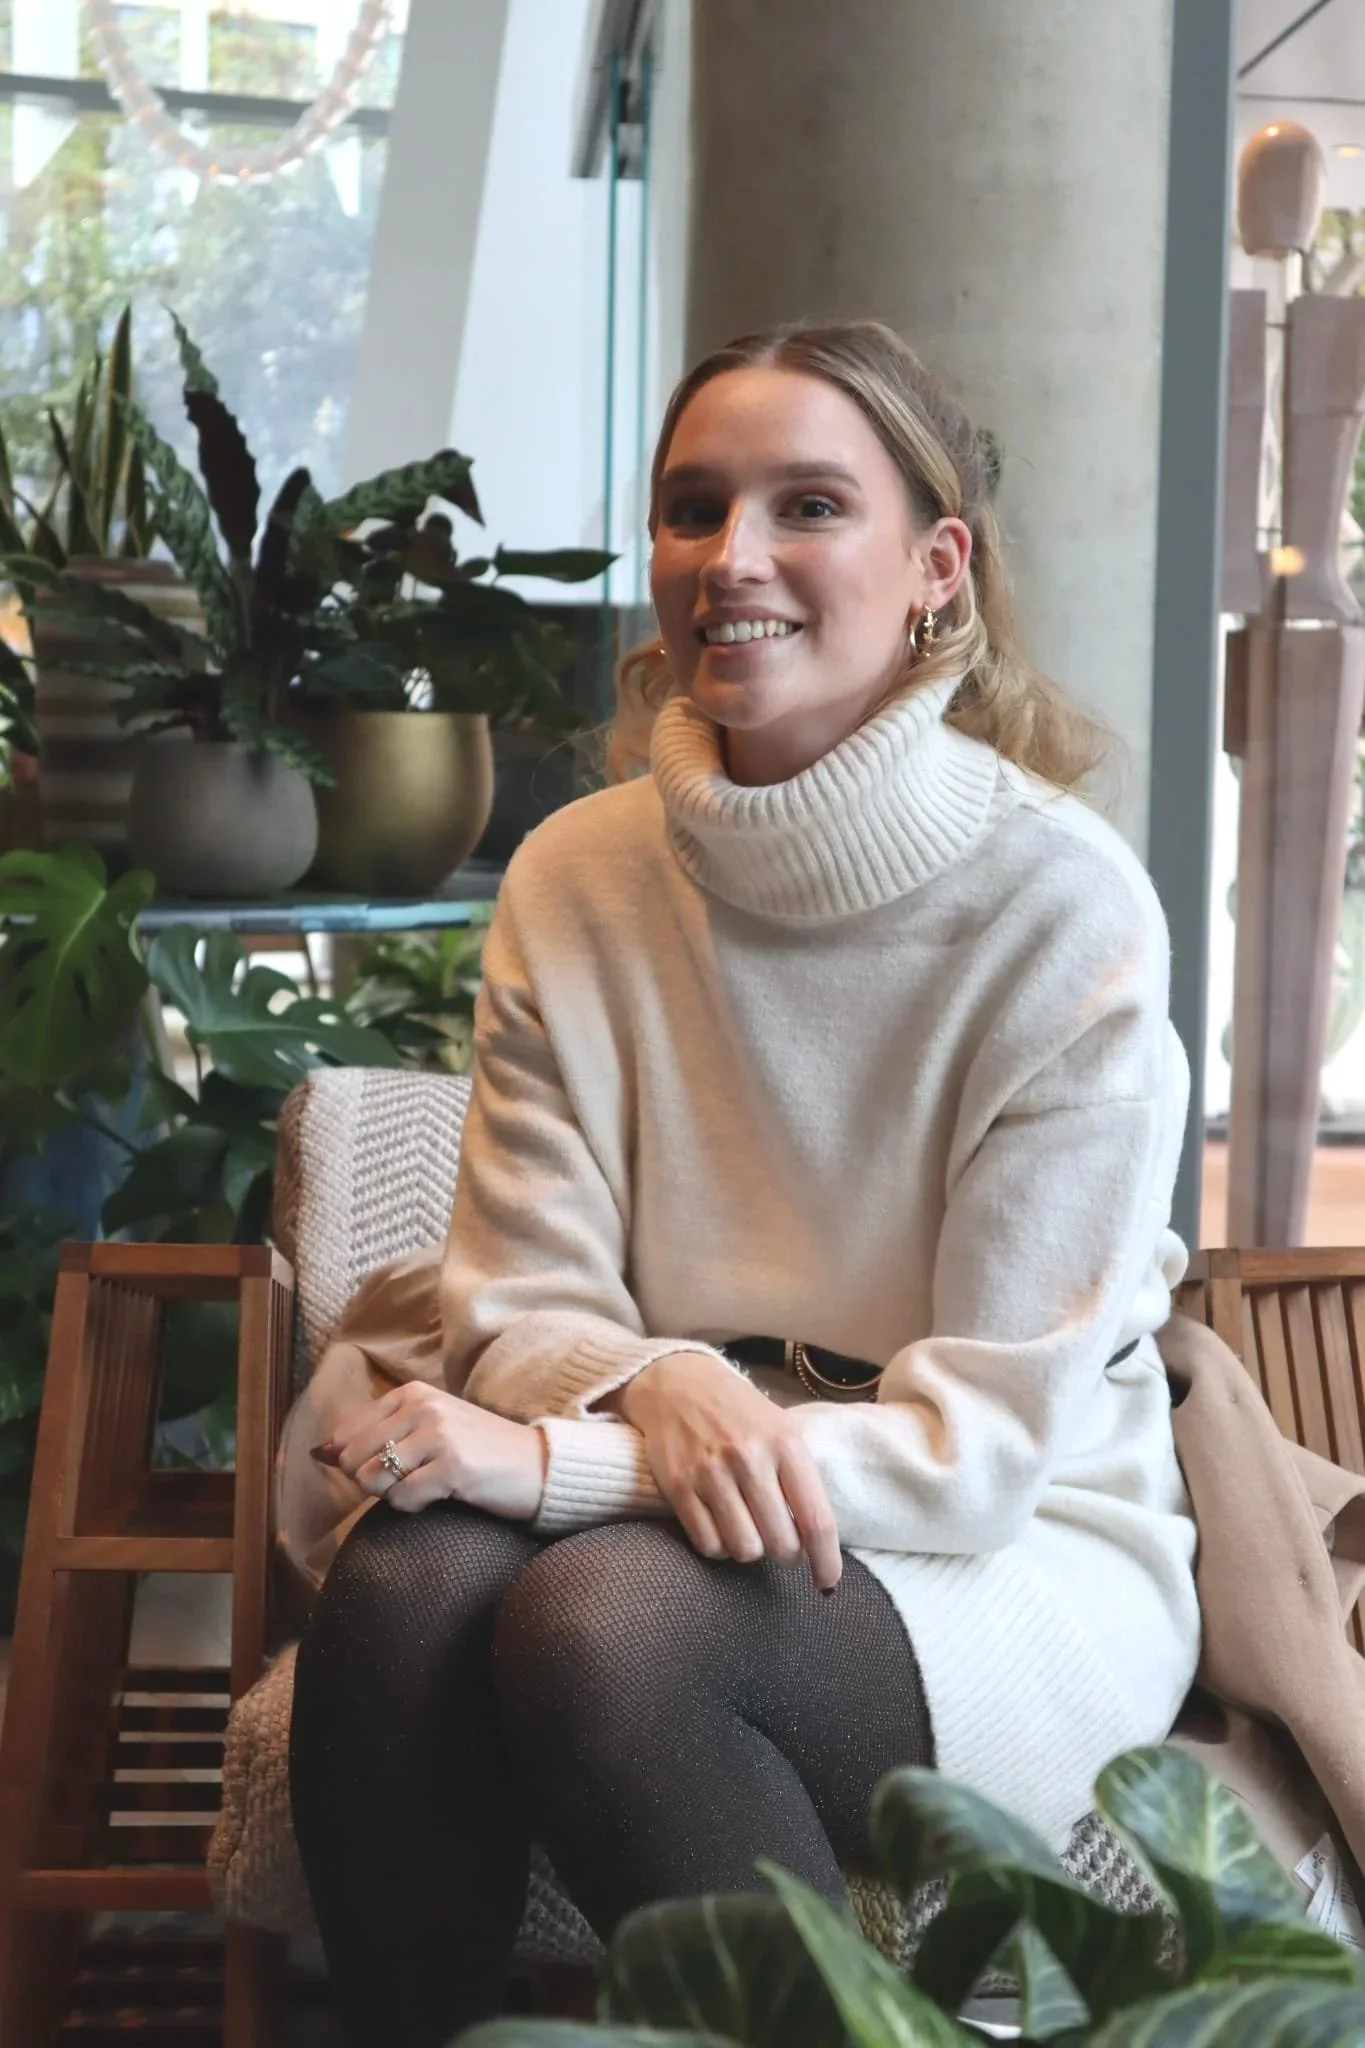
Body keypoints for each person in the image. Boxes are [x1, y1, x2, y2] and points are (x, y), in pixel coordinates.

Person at [288, 319, 1200, 2047]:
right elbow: (518, 1299)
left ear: (938, 569)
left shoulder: (1065, 911)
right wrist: (669, 1391)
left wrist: (573, 1457)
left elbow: (988, 1450)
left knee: (610, 1629)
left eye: (808, 507)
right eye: (694, 509)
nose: (736, 560)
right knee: (404, 1592)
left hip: (994, 1547)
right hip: (672, 1463)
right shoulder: (577, 875)